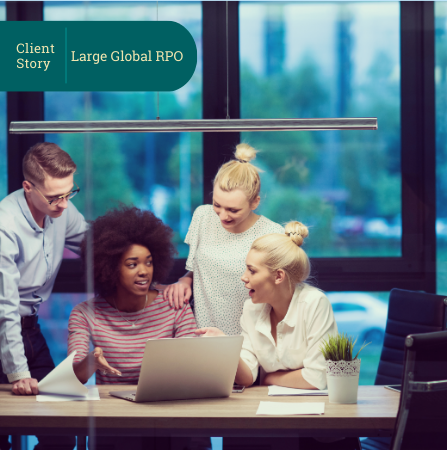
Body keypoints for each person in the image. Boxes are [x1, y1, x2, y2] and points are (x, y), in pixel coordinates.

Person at [68, 206, 207, 450]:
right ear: (110, 268)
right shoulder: (85, 313)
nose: (144, 271)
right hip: (113, 420)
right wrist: (91, 362)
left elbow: (193, 361)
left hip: (167, 412)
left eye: (149, 262)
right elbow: (71, 379)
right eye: (132, 264)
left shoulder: (173, 302)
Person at [0, 142, 85, 450]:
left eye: (69, 193)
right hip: (4, 327)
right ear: (27, 187)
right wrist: (18, 372)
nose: (63, 204)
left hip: (30, 331)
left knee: (61, 431)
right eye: (54, 197)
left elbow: (93, 244)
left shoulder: (62, 208)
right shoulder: (4, 226)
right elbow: (5, 308)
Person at [195, 221, 336, 390]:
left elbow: (316, 378)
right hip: (267, 408)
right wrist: (225, 346)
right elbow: (247, 377)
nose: (243, 277)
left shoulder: (315, 303)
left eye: (252, 270)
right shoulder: (251, 309)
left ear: (278, 276)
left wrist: (269, 378)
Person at [163, 143, 284, 337]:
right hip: (203, 335)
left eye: (233, 210)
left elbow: (280, 293)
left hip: (251, 339)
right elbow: (198, 268)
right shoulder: (202, 216)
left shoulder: (272, 233)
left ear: (255, 202)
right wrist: (185, 280)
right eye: (217, 205)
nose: (222, 216)